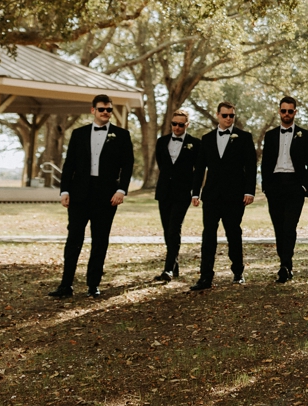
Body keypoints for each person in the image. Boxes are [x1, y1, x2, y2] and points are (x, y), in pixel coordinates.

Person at [49, 94, 135, 298]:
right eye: (101, 109)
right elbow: (69, 164)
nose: (105, 113)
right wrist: (65, 191)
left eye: (109, 110)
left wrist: (121, 190)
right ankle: (66, 285)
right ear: (93, 110)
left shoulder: (122, 135)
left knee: (100, 241)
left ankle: (93, 285)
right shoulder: (79, 134)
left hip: (107, 196)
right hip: (79, 194)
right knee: (74, 239)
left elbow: (128, 165)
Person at [190, 102, 256, 291]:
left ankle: (238, 272)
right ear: (218, 115)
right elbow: (199, 168)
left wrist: (249, 191)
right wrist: (196, 192)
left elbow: (251, 166)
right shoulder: (207, 139)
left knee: (234, 233)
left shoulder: (244, 138)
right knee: (208, 235)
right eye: (225, 115)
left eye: (231, 116)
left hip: (235, 196)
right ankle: (205, 277)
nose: (228, 119)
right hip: (211, 196)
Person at [260, 96, 308, 284]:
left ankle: (285, 266)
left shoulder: (305, 135)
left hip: (295, 185)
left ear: (295, 112)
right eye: (283, 111)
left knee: (289, 226)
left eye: (290, 111)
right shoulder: (270, 135)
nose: (286, 114)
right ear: (279, 111)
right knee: (278, 227)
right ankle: (285, 264)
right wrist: (266, 186)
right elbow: (266, 162)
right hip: (274, 185)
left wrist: (304, 186)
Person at [153, 109, 199, 282]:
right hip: (164, 191)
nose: (177, 127)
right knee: (167, 230)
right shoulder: (161, 141)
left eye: (181, 124)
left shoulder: (195, 144)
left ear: (187, 125)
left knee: (174, 228)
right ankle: (174, 265)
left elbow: (197, 171)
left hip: (182, 192)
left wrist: (195, 192)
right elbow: (162, 165)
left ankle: (168, 270)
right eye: (174, 124)